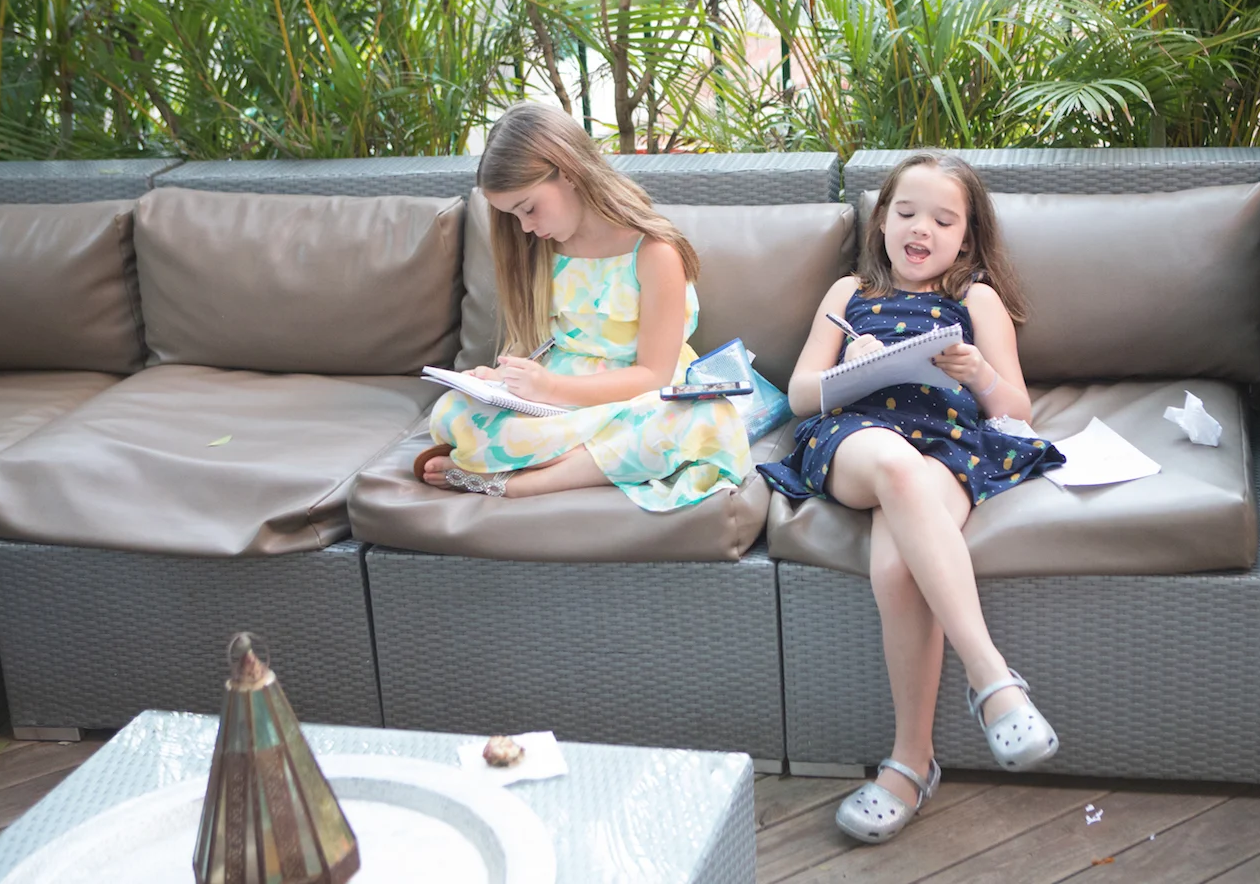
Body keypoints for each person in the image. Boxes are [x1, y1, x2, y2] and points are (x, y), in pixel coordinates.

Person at [759, 150, 1066, 844]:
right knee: (897, 471)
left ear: (968, 237)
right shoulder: (848, 292)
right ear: (881, 222)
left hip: (947, 445)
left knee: (900, 563)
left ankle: (910, 764)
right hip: (856, 439)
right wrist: (853, 365)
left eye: (943, 220)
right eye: (905, 213)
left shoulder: (976, 299)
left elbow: (1015, 410)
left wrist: (978, 371)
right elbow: (801, 392)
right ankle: (993, 680)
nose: (921, 228)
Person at [416, 102, 750, 510]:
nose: (525, 227)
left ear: (569, 172)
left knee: (702, 420)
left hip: (635, 396)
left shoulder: (654, 252)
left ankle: (518, 483)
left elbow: (653, 375)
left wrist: (551, 388)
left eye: (528, 208)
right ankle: (580, 461)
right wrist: (500, 381)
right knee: (453, 412)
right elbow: (535, 347)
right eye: (514, 216)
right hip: (557, 402)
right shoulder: (541, 248)